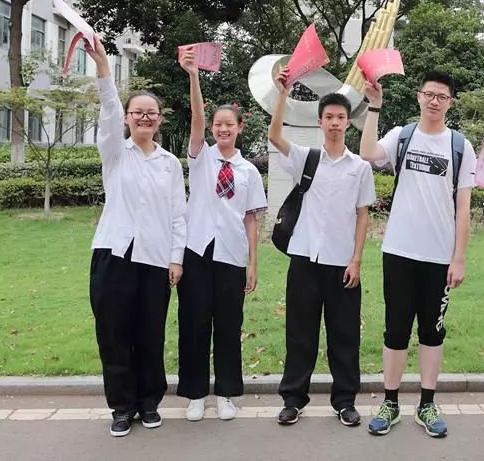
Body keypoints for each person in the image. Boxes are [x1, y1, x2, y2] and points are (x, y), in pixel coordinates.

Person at [359, 71, 477, 438]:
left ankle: (427, 402)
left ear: (450, 102)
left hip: (438, 257)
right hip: (399, 251)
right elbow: (367, 153)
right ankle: (390, 401)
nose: (435, 100)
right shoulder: (402, 136)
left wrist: (458, 258)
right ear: (418, 96)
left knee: (432, 331)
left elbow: (463, 209)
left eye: (442, 96)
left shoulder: (460, 146)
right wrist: (374, 106)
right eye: (429, 94)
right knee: (395, 329)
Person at [86, 35, 186, 437]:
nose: (145, 118)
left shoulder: (170, 164)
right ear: (128, 118)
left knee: (149, 333)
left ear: (160, 120)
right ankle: (122, 407)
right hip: (114, 256)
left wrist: (176, 258)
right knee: (114, 334)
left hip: (155, 260)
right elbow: (107, 111)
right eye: (137, 112)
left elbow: (179, 216)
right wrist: (105, 71)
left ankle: (148, 402)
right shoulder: (114, 153)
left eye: (152, 113)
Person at [270, 67, 375, 427]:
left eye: (340, 117)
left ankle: (345, 401)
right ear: (320, 121)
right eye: (329, 116)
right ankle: (293, 399)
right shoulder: (305, 158)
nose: (334, 122)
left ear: (348, 123)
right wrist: (283, 94)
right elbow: (274, 136)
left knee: (344, 335)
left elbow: (363, 216)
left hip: (342, 262)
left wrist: (357, 259)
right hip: (304, 259)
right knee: (300, 334)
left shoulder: (360, 168)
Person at [176, 47, 268, 422]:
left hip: (231, 255)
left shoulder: (248, 172)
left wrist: (252, 263)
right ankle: (196, 394)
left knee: (229, 327)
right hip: (196, 251)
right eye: (218, 125)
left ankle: (227, 393)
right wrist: (194, 76)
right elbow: (196, 117)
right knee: (194, 322)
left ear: (240, 127)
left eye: (229, 124)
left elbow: (251, 219)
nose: (223, 129)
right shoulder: (200, 159)